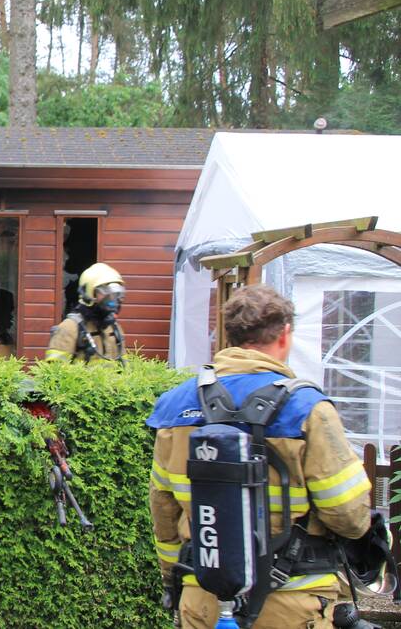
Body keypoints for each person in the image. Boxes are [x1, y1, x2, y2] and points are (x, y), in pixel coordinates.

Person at [147, 284, 372, 629]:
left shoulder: (176, 406)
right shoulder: (309, 409)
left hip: (202, 595)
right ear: (285, 334)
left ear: (230, 335)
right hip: (291, 601)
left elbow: (164, 509)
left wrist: (171, 579)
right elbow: (348, 516)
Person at [45, 262, 126, 363]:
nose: (112, 300)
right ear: (88, 294)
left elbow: (124, 368)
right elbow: (55, 374)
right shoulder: (70, 327)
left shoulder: (114, 328)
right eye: (105, 292)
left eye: (116, 294)